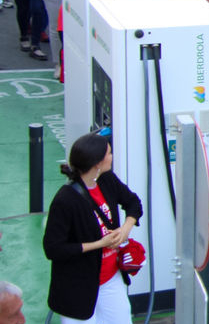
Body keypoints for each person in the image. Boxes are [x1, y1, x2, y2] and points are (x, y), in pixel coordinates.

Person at [43, 132, 142, 324]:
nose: (112, 157)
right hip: (77, 287)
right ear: (97, 162)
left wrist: (125, 229)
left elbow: (133, 203)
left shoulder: (107, 180)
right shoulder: (65, 200)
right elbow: (53, 249)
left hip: (111, 279)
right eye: (109, 153)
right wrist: (99, 244)